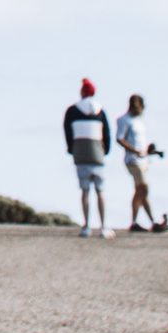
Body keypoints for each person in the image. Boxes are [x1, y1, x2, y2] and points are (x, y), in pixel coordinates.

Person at [62, 79, 112, 239]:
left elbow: (67, 132)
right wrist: (105, 150)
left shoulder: (72, 111)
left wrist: (71, 149)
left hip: (80, 153)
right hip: (98, 154)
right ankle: (103, 226)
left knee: (85, 191)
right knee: (100, 191)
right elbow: (107, 134)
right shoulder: (100, 111)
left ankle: (86, 226)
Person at [116, 93, 168, 234]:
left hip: (143, 159)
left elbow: (141, 143)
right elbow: (120, 138)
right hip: (133, 160)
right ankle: (134, 222)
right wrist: (134, 150)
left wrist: (152, 151)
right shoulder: (124, 120)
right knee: (143, 188)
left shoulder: (139, 121)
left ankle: (152, 221)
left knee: (142, 192)